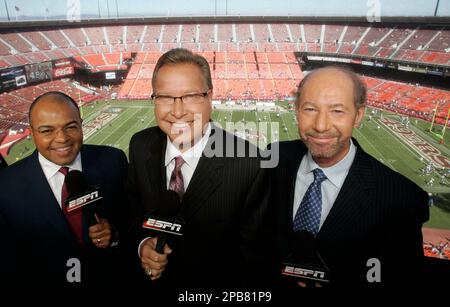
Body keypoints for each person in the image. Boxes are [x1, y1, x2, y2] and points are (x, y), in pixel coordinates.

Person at [267, 66, 429, 287]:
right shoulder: (273, 158)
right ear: (296, 110)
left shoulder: (401, 198)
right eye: (310, 109)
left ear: (358, 115)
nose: (321, 126)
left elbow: (402, 280)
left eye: (337, 111)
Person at [126, 48, 268, 289]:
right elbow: (132, 215)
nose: (178, 110)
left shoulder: (250, 162)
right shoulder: (140, 145)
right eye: (165, 97)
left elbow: (253, 261)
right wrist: (143, 245)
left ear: (209, 97)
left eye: (191, 96)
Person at [0, 92, 128, 287]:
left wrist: (114, 235)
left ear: (81, 124)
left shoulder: (113, 161)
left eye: (70, 127)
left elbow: (131, 219)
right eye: (47, 131)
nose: (62, 138)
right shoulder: (6, 185)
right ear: (32, 133)